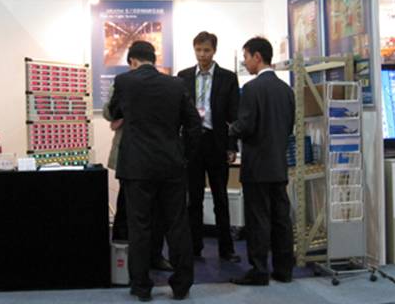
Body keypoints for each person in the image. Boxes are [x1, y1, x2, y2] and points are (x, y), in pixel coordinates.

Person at [108, 41, 202, 301]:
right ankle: (181, 285)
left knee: (139, 227)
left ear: (132, 61)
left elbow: (114, 112)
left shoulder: (124, 82)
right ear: (153, 59)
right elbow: (194, 125)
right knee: (177, 225)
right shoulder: (176, 85)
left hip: (136, 167)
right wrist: (184, 156)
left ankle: (141, 287)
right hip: (171, 165)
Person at [229, 36, 295, 286]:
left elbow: (246, 125)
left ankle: (259, 271)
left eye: (246, 57)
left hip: (257, 165)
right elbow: (289, 126)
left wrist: (230, 130)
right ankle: (284, 269)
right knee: (281, 219)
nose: (245, 63)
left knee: (258, 219)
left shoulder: (251, 88)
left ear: (257, 57)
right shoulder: (286, 90)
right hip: (278, 164)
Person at [177, 31, 240, 262]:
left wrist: (232, 146)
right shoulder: (183, 77)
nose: (202, 55)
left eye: (206, 50)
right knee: (193, 198)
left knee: (220, 198)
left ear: (214, 51)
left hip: (217, 142)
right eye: (198, 50)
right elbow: (179, 112)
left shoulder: (228, 78)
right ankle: (194, 247)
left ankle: (226, 249)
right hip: (192, 143)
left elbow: (234, 115)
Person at [103, 89, 173, 272]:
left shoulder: (162, 86)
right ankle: (121, 257)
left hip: (156, 155)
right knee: (126, 208)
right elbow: (108, 113)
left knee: (156, 210)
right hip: (128, 155)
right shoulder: (122, 86)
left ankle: (154, 256)